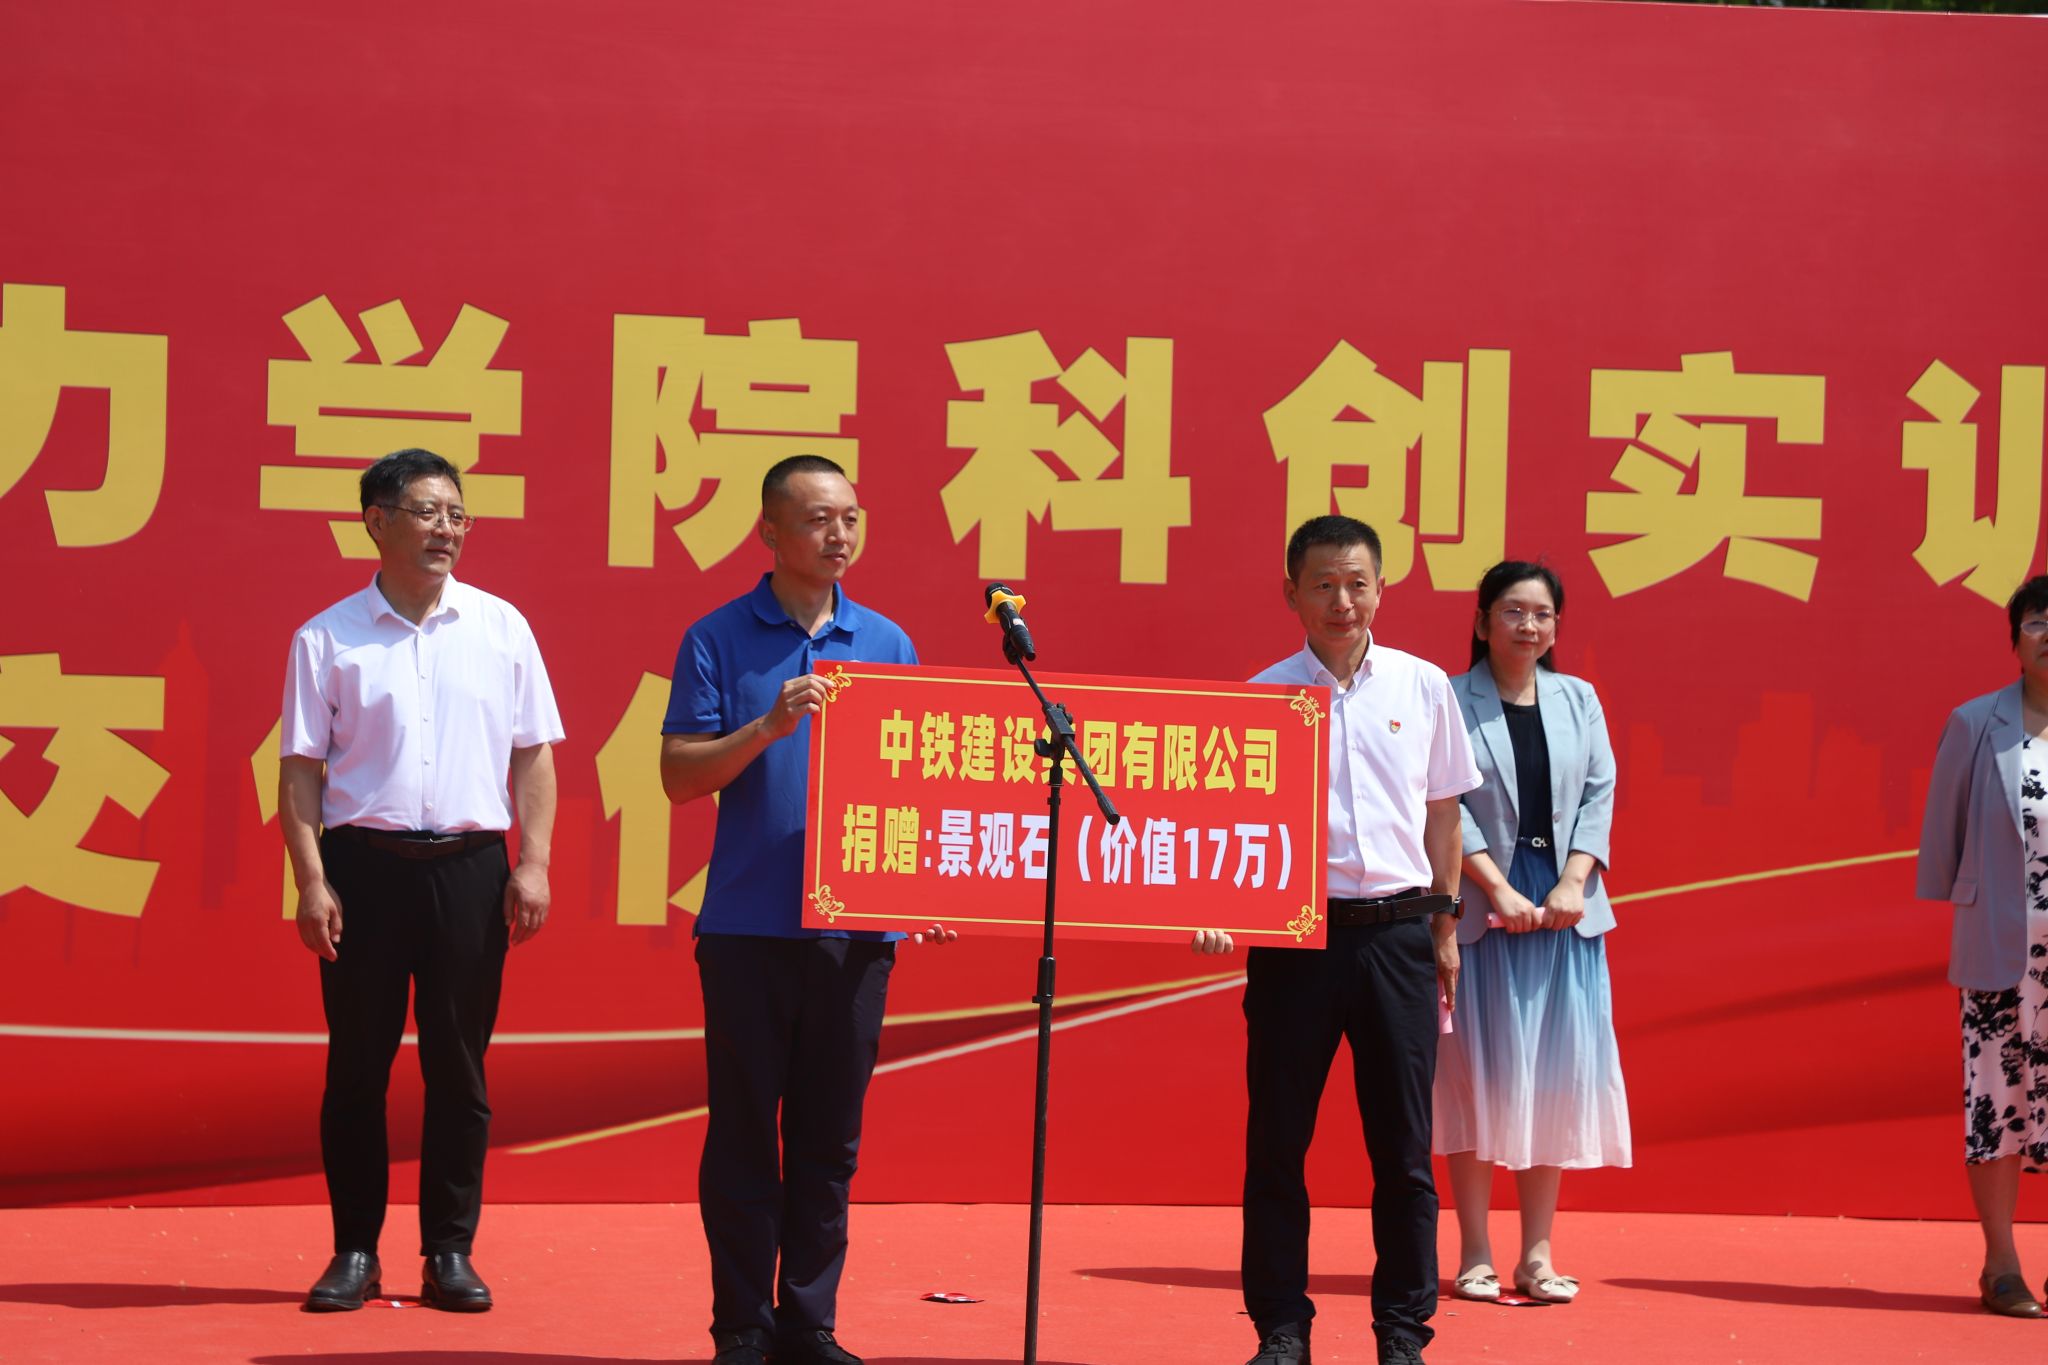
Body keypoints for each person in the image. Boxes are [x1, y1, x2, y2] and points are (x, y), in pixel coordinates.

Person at [661, 454, 952, 1365]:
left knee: (830, 1139)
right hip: (748, 927)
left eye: (851, 517)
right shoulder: (717, 637)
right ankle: (742, 1325)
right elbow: (678, 776)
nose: (839, 534)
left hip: (855, 935)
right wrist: (767, 726)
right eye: (819, 518)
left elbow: (917, 784)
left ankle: (809, 1322)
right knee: (745, 1132)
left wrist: (928, 886)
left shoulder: (887, 642)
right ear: (770, 532)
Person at [279, 448, 562, 1314]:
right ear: (377, 521)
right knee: (357, 1069)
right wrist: (312, 880)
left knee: (460, 1070)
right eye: (429, 512)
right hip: (364, 869)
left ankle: (449, 1250)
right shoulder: (327, 637)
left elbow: (533, 753)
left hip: (470, 870)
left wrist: (534, 861)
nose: (448, 529)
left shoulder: (501, 627)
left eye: (457, 514)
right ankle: (354, 1251)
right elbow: (300, 772)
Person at [1194, 514, 1480, 1365]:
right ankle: (1282, 1329)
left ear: (1381, 588)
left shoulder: (1422, 686)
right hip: (1297, 944)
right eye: (1323, 584)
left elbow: (1442, 814)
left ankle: (1403, 1332)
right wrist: (1217, 905)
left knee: (1403, 1151)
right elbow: (1231, 825)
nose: (1341, 601)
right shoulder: (1262, 696)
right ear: (1292, 592)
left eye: (1357, 583)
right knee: (1278, 1143)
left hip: (1398, 934)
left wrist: (1445, 924)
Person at [1432, 561, 1630, 1306]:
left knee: (1552, 1082)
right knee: (1476, 1082)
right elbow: (1445, 801)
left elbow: (1600, 792)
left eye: (1542, 614)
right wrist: (1497, 887)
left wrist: (1575, 880)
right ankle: (1475, 1254)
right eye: (1513, 611)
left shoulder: (1580, 698)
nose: (1528, 625)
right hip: (1485, 913)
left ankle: (1537, 1257)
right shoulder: (1451, 699)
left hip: (1565, 914)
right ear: (1482, 621)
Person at [1918, 574, 2048, 1318]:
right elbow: (1946, 829)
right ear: (2015, 638)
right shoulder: (1976, 721)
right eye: (2038, 621)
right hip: (2001, 946)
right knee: (1998, 1102)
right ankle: (2001, 1264)